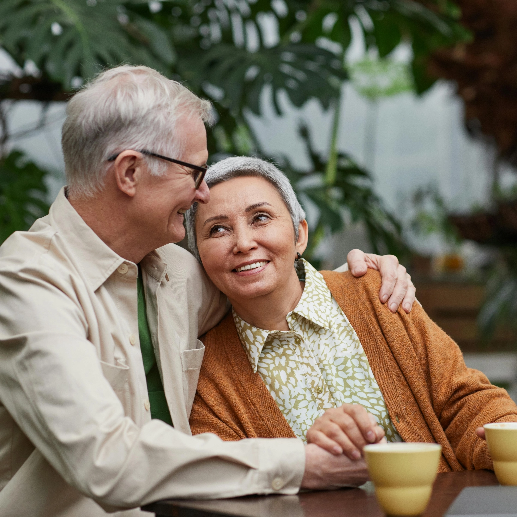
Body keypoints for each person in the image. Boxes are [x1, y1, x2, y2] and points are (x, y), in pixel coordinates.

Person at [0, 65, 416, 517]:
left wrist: (359, 281)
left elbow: (273, 288)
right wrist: (301, 464)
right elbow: (104, 459)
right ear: (130, 172)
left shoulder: (176, 271)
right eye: (194, 171)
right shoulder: (25, 282)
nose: (203, 193)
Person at [186, 156, 517, 482]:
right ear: (198, 255)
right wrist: (306, 461)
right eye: (217, 229)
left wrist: (502, 441)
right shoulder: (206, 373)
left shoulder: (378, 292)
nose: (244, 243)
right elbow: (229, 482)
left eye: (260, 218)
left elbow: (461, 399)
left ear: (299, 235)